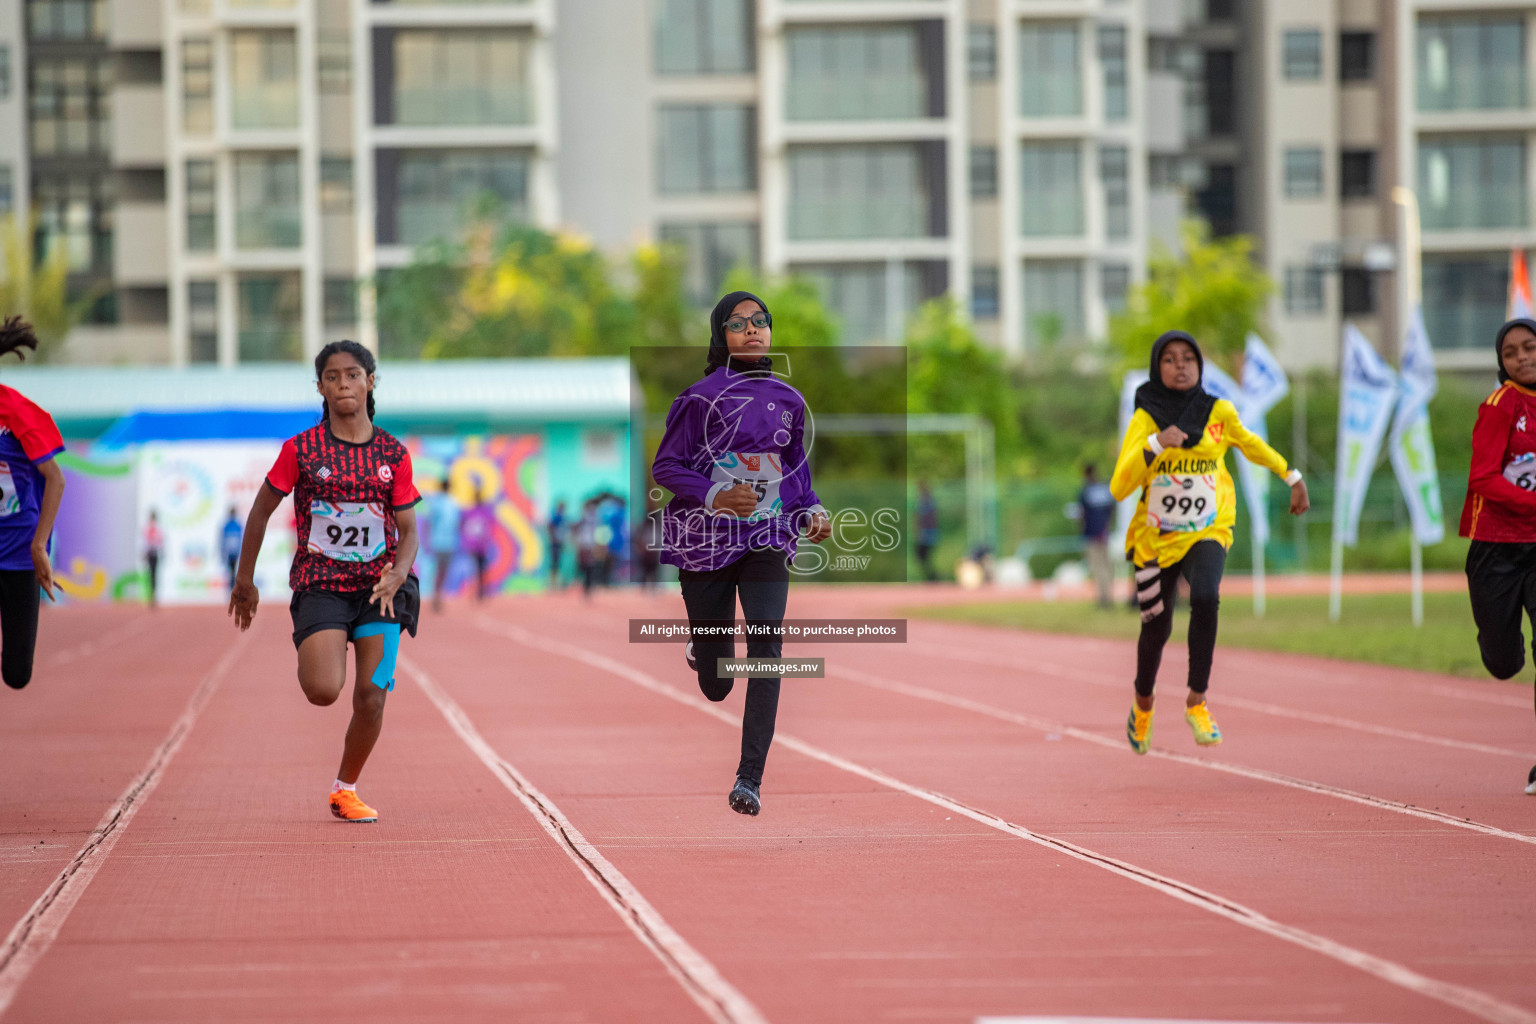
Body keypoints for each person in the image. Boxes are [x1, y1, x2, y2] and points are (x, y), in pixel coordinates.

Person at [652, 290, 831, 816]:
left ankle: (749, 779)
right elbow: (666, 467)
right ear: (720, 335)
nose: (753, 330)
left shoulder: (790, 401)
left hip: (766, 540)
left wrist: (813, 510)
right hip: (705, 545)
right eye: (738, 323)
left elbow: (795, 471)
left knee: (767, 647)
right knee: (716, 684)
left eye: (761, 321)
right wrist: (714, 494)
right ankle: (703, 652)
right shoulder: (698, 399)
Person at [228, 340, 421, 823]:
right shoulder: (301, 449)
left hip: (381, 592)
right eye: (332, 377)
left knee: (373, 693)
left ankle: (345, 789)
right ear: (320, 387)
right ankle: (320, 647)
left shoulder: (393, 454)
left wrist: (398, 572)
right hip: (322, 585)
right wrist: (244, 580)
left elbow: (410, 529)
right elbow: (260, 511)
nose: (343, 384)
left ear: (370, 381)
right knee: (323, 689)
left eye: (353, 375)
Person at [1110, 330, 1309, 755]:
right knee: (1156, 626)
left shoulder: (1218, 411)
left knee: (1205, 595)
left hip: (1208, 526)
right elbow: (1118, 486)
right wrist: (1154, 444)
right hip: (1156, 537)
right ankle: (1143, 703)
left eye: (1188, 359)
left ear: (1199, 366)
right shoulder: (1146, 417)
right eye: (1169, 359)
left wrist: (1291, 476)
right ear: (1156, 368)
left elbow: (1251, 444)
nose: (1180, 366)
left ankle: (1197, 701)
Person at [1459, 317, 1536, 794]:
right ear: (1501, 362)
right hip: (1498, 548)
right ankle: (1500, 646)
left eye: (1530, 347)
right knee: (1503, 662)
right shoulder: (1498, 407)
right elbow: (1482, 478)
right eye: (1511, 353)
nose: (1523, 357)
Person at [0, 317, 65, 690]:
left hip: (20, 553)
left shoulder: (17, 412)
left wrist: (40, 545)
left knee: (17, 674)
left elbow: (55, 478)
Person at [1079, 464, 1117, 608]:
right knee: (1106, 566)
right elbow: (1111, 509)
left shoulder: (1085, 490)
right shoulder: (1105, 489)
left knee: (1097, 567)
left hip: (1092, 534)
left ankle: (1103, 598)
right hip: (1105, 533)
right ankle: (1108, 596)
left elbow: (1082, 514)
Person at [424, 475, 460, 613]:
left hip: (447, 542)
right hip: (440, 542)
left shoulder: (451, 503)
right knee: (440, 571)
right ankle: (437, 596)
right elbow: (431, 522)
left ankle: (438, 595)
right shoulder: (440, 503)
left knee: (442, 571)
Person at [459, 487, 496, 601]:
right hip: (473, 545)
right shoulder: (470, 511)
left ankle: (483, 590)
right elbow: (464, 526)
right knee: (474, 569)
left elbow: (489, 527)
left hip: (482, 546)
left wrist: (487, 540)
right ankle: (475, 591)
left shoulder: (485, 511)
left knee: (482, 568)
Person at [915, 481, 939, 582]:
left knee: (923, 555)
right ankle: (931, 575)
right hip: (928, 532)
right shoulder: (929, 502)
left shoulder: (925, 502)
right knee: (923, 556)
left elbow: (922, 518)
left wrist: (919, 530)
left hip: (927, 532)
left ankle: (932, 576)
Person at [143, 510, 164, 609]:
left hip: (153, 553)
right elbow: (159, 541)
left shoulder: (153, 528)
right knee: (153, 575)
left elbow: (159, 541)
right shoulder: (152, 528)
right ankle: (152, 594)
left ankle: (153, 595)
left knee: (152, 574)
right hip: (153, 553)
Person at [220, 506, 243, 593]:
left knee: (234, 570)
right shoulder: (228, 526)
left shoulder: (236, 525)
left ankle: (233, 587)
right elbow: (223, 539)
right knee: (231, 571)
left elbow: (240, 539)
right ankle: (232, 588)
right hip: (230, 552)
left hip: (234, 552)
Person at [547, 499, 567, 590]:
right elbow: (550, 526)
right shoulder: (556, 517)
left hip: (560, 542)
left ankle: (555, 583)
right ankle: (552, 583)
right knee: (555, 563)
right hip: (555, 543)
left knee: (558, 563)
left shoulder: (562, 517)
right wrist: (554, 538)